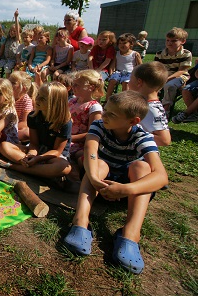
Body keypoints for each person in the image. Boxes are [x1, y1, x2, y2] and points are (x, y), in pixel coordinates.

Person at [63, 91, 168, 274]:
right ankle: (80, 221)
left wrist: (126, 189)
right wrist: (94, 178)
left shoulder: (143, 137)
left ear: (133, 121)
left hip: (127, 192)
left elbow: (161, 176)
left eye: (112, 114)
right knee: (98, 164)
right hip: (99, 185)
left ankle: (131, 234)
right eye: (105, 110)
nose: (104, 115)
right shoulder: (99, 125)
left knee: (141, 167)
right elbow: (90, 149)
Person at [0, 82, 72, 180]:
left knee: (64, 168)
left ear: (54, 102)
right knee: (4, 146)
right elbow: (34, 144)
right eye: (38, 95)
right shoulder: (33, 116)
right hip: (37, 151)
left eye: (43, 98)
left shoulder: (64, 122)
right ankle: (39, 169)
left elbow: (56, 151)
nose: (37, 99)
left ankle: (13, 166)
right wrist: (30, 155)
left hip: (53, 156)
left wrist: (38, 158)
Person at [129, 62, 171, 146]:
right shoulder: (145, 104)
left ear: (139, 82)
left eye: (130, 79)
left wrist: (131, 133)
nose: (128, 83)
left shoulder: (151, 108)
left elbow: (164, 140)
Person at [68, 70, 104, 167]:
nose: (73, 87)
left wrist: (69, 138)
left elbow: (92, 133)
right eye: (73, 84)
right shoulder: (72, 101)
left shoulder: (94, 107)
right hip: (66, 138)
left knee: (81, 157)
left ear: (91, 87)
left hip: (80, 144)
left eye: (77, 85)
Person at [154, 27, 193, 117]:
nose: (169, 43)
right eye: (167, 40)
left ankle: (166, 110)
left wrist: (167, 79)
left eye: (173, 41)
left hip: (180, 76)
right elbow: (156, 68)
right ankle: (150, 106)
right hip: (164, 75)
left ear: (183, 41)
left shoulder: (186, 54)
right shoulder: (160, 54)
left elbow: (182, 70)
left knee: (169, 85)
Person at [105, 33, 143, 99]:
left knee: (125, 83)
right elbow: (113, 65)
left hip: (130, 73)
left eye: (124, 43)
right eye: (120, 43)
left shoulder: (134, 54)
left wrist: (137, 75)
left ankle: (124, 99)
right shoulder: (117, 53)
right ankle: (108, 99)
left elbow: (140, 66)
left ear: (131, 44)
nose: (122, 45)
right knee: (112, 81)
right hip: (118, 72)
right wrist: (111, 73)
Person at [8, 71, 36, 143]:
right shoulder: (7, 97)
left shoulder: (26, 100)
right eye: (9, 81)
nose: (9, 84)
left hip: (16, 127)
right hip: (3, 124)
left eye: (13, 83)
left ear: (23, 88)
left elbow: (24, 123)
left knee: (26, 132)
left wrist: (7, 128)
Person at [0, 10, 21, 77]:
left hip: (13, 60)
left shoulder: (17, 39)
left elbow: (17, 29)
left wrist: (16, 17)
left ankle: (8, 81)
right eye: (11, 30)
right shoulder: (7, 39)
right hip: (5, 59)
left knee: (7, 67)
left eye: (14, 31)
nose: (12, 32)